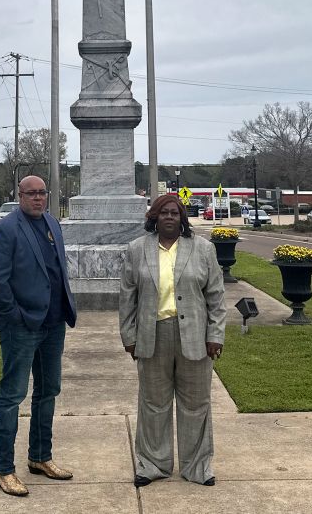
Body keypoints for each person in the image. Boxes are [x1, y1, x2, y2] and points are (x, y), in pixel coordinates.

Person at [119, 193, 226, 487]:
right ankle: (152, 464)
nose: (169, 217)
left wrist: (215, 334)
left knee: (196, 405)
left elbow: (216, 296)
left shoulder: (203, 249)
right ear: (154, 217)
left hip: (195, 337)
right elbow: (128, 298)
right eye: (163, 213)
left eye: (175, 213)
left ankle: (198, 466)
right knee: (154, 403)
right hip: (153, 336)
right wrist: (129, 336)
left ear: (182, 218)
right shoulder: (137, 249)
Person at [0, 175, 78, 496]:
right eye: (31, 194)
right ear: (19, 195)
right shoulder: (5, 229)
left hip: (53, 324)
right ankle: (3, 469)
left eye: (42, 193)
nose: (38, 199)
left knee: (48, 390)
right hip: (22, 327)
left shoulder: (53, 222)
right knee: (12, 396)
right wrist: (15, 317)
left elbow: (56, 269)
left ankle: (40, 457)